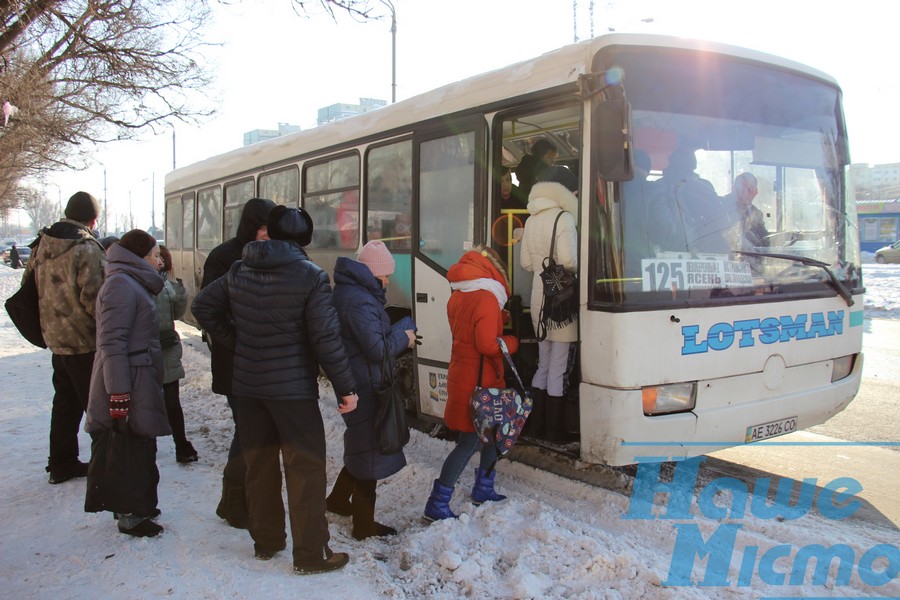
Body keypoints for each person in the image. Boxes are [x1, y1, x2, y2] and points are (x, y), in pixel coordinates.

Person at [192, 205, 359, 575]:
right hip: (292, 392)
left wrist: (237, 341)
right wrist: (346, 387)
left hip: (249, 387)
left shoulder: (240, 268)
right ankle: (311, 554)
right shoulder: (310, 276)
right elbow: (326, 338)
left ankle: (266, 542)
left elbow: (203, 306)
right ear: (304, 239)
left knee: (259, 466)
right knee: (305, 470)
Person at [326, 240, 416, 540]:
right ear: (371, 273)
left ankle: (338, 501)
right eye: (384, 275)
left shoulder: (352, 293)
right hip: (363, 383)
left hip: (357, 379)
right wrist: (404, 338)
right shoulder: (360, 301)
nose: (388, 281)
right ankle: (363, 526)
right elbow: (377, 349)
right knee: (370, 453)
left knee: (363, 447)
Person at [423, 245, 519, 521]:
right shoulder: (487, 299)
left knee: (492, 434)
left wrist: (498, 319)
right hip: (481, 379)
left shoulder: (459, 294)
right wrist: (512, 341)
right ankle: (437, 502)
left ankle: (483, 488)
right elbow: (488, 345)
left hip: (463, 372)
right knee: (469, 442)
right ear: (493, 271)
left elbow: (469, 326)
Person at [85, 229, 168, 538]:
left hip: (138, 375)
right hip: (127, 379)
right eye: (156, 255)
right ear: (140, 258)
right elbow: (111, 344)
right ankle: (130, 514)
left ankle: (138, 505)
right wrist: (118, 392)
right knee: (127, 444)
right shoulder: (121, 285)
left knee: (140, 442)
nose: (160, 260)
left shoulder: (131, 282)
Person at [200, 197, 275, 529]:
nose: (268, 233)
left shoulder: (273, 253)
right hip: (235, 363)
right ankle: (234, 503)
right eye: (263, 227)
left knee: (252, 432)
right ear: (251, 226)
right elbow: (206, 309)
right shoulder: (224, 257)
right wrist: (236, 339)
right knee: (249, 433)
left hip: (261, 362)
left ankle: (235, 501)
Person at [25, 191, 107, 484]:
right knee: (98, 406)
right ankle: (107, 467)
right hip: (85, 341)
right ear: (92, 219)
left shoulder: (41, 244)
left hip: (56, 339)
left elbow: (29, 290)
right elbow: (95, 299)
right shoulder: (85, 248)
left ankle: (61, 463)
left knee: (65, 404)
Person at [156, 245, 198, 463]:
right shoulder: (136, 282)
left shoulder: (167, 285)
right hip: (145, 350)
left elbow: (178, 314)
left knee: (172, 400)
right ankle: (147, 446)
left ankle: (181, 444)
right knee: (147, 401)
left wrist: (180, 291)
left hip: (168, 347)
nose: (160, 261)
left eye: (162, 257)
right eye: (155, 257)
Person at [726, 172, 769, 248]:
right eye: (743, 188)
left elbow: (765, 241)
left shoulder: (755, 214)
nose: (746, 193)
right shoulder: (719, 207)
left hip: (748, 256)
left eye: (752, 190)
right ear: (734, 189)